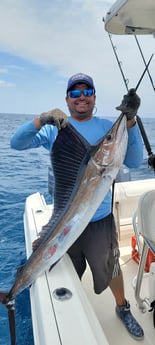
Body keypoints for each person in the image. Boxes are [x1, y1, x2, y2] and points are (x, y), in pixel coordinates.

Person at [11, 73, 144, 340]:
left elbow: (135, 162)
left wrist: (129, 121)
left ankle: (122, 307)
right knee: (69, 271)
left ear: (94, 97)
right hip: (66, 219)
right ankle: (15, 295)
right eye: (74, 93)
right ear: (67, 100)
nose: (81, 96)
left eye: (87, 91)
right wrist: (41, 119)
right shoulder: (56, 127)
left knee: (111, 268)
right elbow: (17, 143)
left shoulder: (108, 126)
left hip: (100, 220)